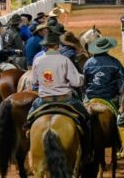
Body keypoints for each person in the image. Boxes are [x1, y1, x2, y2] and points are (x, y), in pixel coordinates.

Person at [28, 29, 91, 158]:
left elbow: (34, 81)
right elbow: (76, 81)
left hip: (43, 100)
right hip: (65, 99)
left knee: (28, 120)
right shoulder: (64, 60)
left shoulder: (38, 60)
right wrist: (82, 78)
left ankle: (30, 141)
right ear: (57, 46)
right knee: (86, 121)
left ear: (45, 46)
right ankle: (87, 151)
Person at [83, 37, 124, 107]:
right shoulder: (114, 62)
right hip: (109, 96)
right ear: (107, 49)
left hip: (90, 96)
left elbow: (84, 82)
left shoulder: (88, 63)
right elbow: (123, 78)